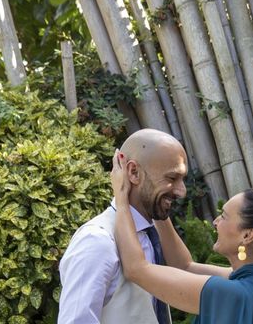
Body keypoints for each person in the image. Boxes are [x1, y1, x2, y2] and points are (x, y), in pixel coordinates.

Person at [110, 151, 253, 324]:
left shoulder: (228, 293)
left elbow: (136, 269)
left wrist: (121, 197)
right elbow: (184, 266)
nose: (216, 221)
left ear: (248, 235)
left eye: (224, 216)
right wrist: (157, 202)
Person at [58, 129, 188, 324]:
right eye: (171, 178)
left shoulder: (152, 234)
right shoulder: (97, 241)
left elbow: (186, 267)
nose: (182, 191)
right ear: (133, 172)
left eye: (182, 179)